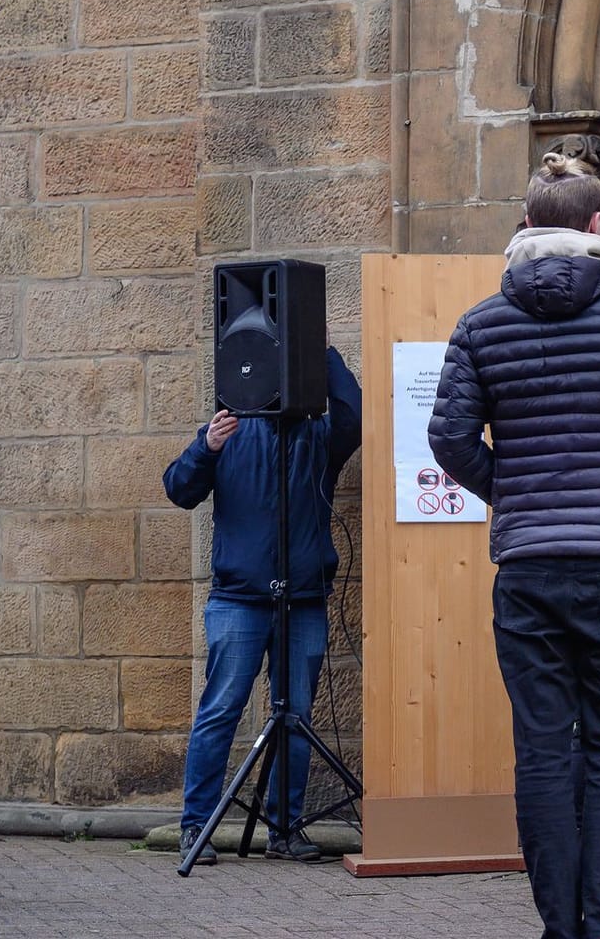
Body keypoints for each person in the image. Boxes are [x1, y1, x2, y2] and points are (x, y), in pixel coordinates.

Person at [429, 152, 600, 939]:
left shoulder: (481, 323)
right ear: (597, 226)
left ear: (524, 227)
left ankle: (561, 924)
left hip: (529, 569)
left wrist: (509, 491)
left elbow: (449, 438)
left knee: (544, 751)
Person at [164, 346, 362, 867]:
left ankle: (284, 828)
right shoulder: (228, 430)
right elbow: (179, 489)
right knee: (220, 711)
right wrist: (205, 447)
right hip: (238, 600)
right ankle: (196, 828)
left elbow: (354, 415)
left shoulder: (318, 438)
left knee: (295, 716)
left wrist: (317, 349)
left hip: (302, 599)